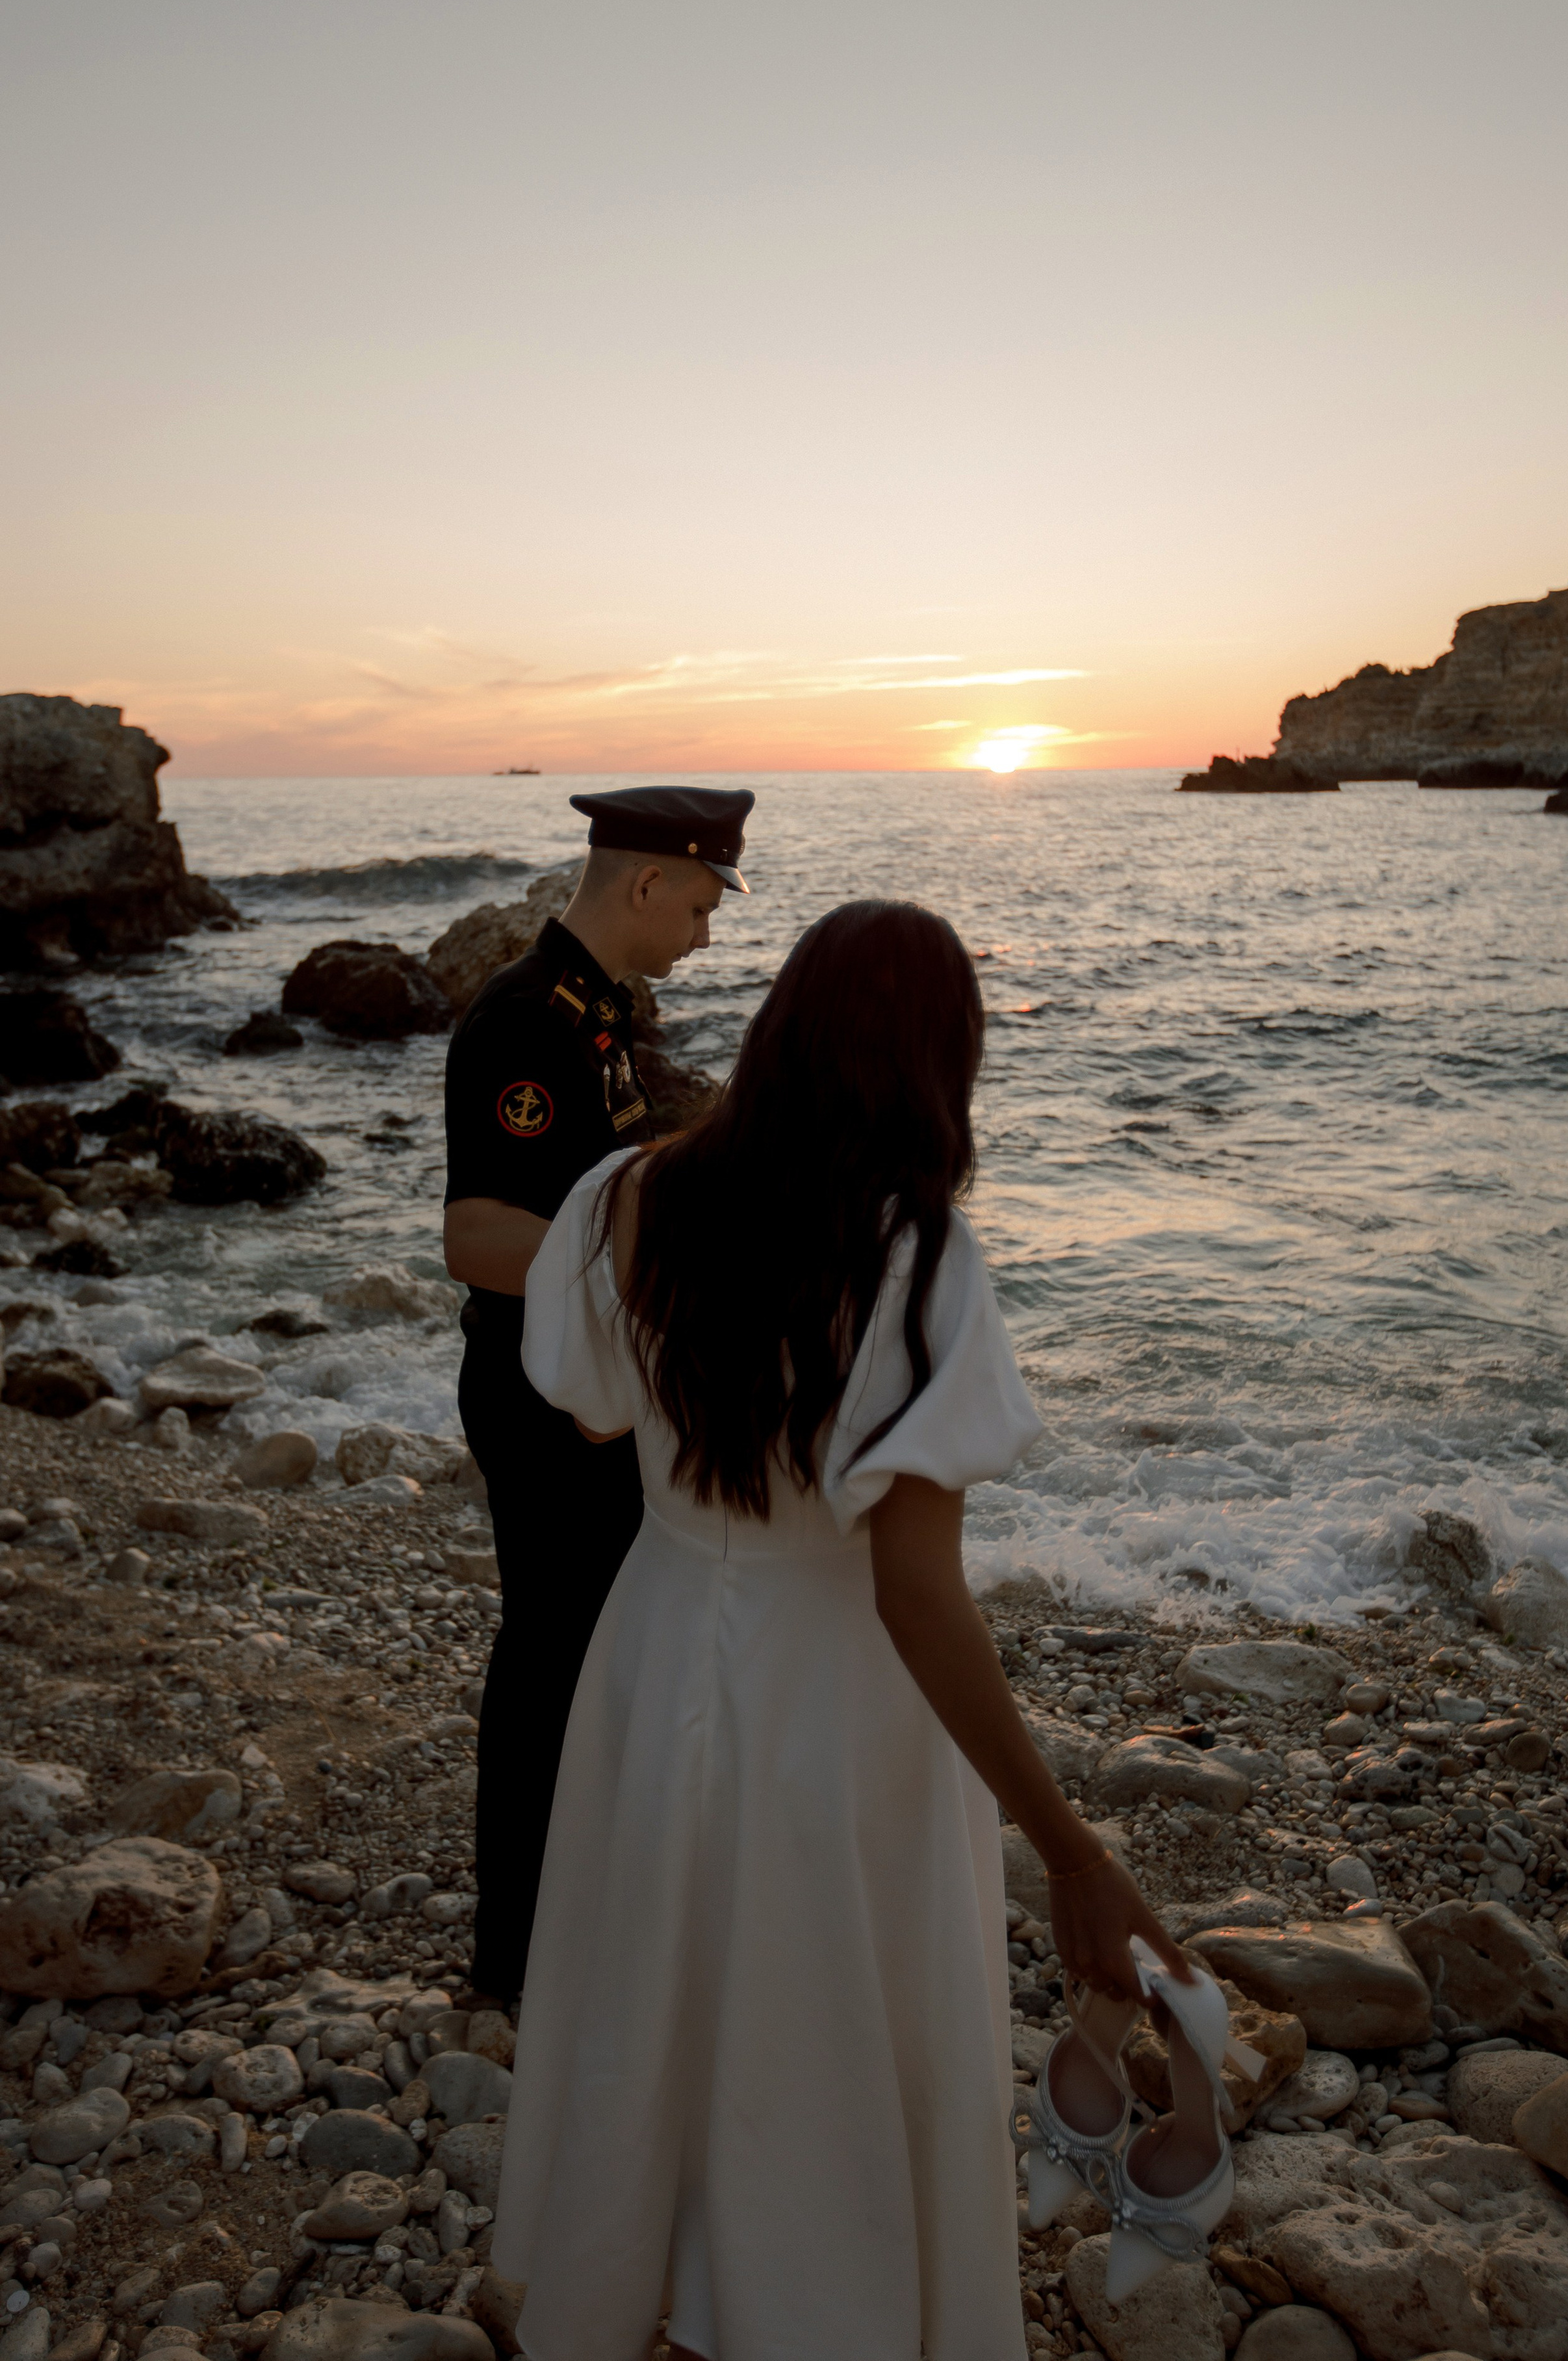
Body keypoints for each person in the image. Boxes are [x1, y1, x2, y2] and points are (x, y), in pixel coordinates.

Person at [493, 899, 1184, 2361]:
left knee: (658, 1984)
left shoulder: (628, 1195)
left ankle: (643, 2290)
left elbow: (592, 1409)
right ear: (940, 1063)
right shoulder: (918, 1258)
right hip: (835, 1694)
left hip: (657, 1641)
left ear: (782, 1029)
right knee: (820, 2026)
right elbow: (911, 1588)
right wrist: (1071, 1852)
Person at [442, 783, 754, 2003]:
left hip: (585, 1383)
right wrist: (654, 1260)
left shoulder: (599, 1014)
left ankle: (578, 1920)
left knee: (596, 1653)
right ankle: (517, 1956)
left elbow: (600, 1181)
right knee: (551, 1659)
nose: (706, 934)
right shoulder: (527, 1021)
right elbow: (476, 1235)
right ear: (647, 881)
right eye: (702, 905)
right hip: (535, 1392)